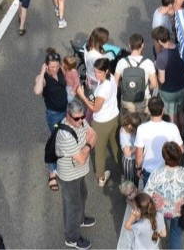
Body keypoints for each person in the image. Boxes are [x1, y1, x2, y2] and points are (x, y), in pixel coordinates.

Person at [55, 99, 98, 250]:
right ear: (68, 116)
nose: (81, 121)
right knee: (73, 205)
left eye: (82, 116)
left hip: (78, 171)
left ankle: (80, 219)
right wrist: (87, 145)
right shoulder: (65, 135)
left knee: (83, 195)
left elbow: (95, 135)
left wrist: (85, 147)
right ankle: (72, 237)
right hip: (69, 174)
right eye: (77, 118)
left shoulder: (79, 121)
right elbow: (80, 159)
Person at [143, 142, 184, 249]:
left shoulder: (157, 173)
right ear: (179, 155)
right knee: (176, 236)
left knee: (157, 231)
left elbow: (147, 193)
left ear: (164, 157)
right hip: (179, 211)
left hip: (160, 211)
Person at [76, 58, 120, 188]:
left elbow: (95, 108)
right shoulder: (111, 78)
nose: (96, 74)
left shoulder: (102, 90)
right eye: (95, 71)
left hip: (101, 123)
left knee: (99, 152)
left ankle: (101, 177)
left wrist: (82, 95)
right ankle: (122, 171)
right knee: (116, 146)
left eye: (99, 72)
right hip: (115, 117)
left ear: (106, 71)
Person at [36, 48, 69, 190]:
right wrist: (43, 72)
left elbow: (66, 80)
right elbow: (37, 91)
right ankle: (52, 173)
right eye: (51, 67)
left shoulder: (60, 70)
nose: (55, 69)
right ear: (46, 65)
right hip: (54, 115)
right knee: (55, 142)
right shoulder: (42, 78)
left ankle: (64, 162)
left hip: (66, 111)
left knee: (66, 137)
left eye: (57, 66)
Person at [133, 96, 181, 186]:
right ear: (163, 110)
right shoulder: (172, 127)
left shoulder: (142, 129)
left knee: (150, 198)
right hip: (167, 170)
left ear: (149, 110)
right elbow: (181, 150)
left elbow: (139, 154)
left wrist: (138, 168)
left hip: (149, 170)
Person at [152, 26, 184, 133]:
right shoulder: (180, 48)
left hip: (169, 91)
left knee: (172, 115)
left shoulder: (161, 57)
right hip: (182, 87)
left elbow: (162, 80)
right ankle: (183, 133)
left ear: (159, 41)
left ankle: (175, 137)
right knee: (181, 110)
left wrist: (157, 68)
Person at [115, 33, 158, 114]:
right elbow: (154, 84)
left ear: (129, 45)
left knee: (127, 124)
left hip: (126, 101)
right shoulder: (148, 63)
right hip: (143, 100)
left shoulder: (122, 62)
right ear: (142, 45)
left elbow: (115, 82)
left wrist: (125, 87)